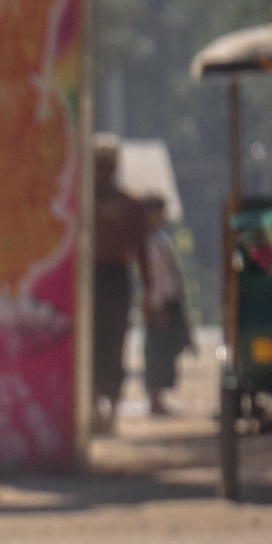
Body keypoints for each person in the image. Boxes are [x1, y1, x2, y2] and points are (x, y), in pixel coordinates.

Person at [90, 136, 143, 435]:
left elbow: (142, 252)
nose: (101, 174)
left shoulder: (130, 204)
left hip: (114, 277)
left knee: (112, 342)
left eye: (104, 167)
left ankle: (108, 409)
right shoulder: (79, 203)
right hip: (91, 279)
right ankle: (96, 406)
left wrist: (150, 292)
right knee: (92, 343)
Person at [138, 196, 192, 416]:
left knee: (166, 351)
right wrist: (157, 308)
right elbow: (151, 278)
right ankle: (154, 400)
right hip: (158, 304)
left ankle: (159, 399)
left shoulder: (160, 238)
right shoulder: (148, 243)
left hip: (169, 302)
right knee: (156, 352)